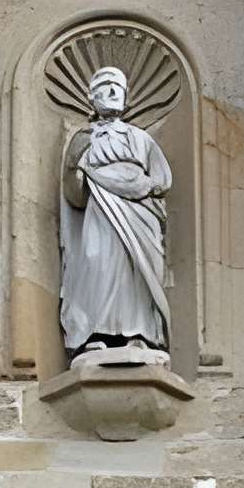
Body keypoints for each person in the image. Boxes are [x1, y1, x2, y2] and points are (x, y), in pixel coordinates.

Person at [59, 65, 172, 356]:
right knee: (98, 264)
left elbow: (162, 179)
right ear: (91, 98)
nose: (111, 93)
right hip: (101, 212)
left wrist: (140, 185)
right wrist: (74, 165)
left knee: (137, 271)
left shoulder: (141, 139)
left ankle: (141, 334)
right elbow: (74, 196)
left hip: (139, 215)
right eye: (103, 87)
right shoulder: (84, 139)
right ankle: (95, 332)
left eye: (116, 88)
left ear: (126, 98)